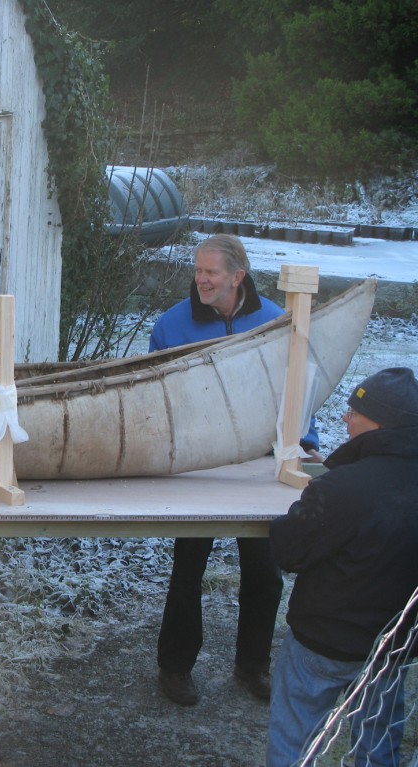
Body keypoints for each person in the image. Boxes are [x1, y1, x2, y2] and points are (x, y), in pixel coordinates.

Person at [152, 234, 322, 706]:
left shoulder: (275, 321)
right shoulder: (171, 325)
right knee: (189, 567)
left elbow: (299, 387)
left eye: (212, 272)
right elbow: (157, 398)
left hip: (262, 466)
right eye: (198, 270)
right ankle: (175, 667)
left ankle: (252, 667)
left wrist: (304, 442)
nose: (201, 279)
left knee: (265, 572)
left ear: (237, 277)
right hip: (198, 466)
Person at [266, 367, 418, 767]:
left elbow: (288, 549)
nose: (345, 419)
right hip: (392, 647)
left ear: (381, 422)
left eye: (353, 412)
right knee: (376, 749)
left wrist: (317, 497)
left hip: (323, 644)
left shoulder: (342, 489)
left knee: (295, 744)